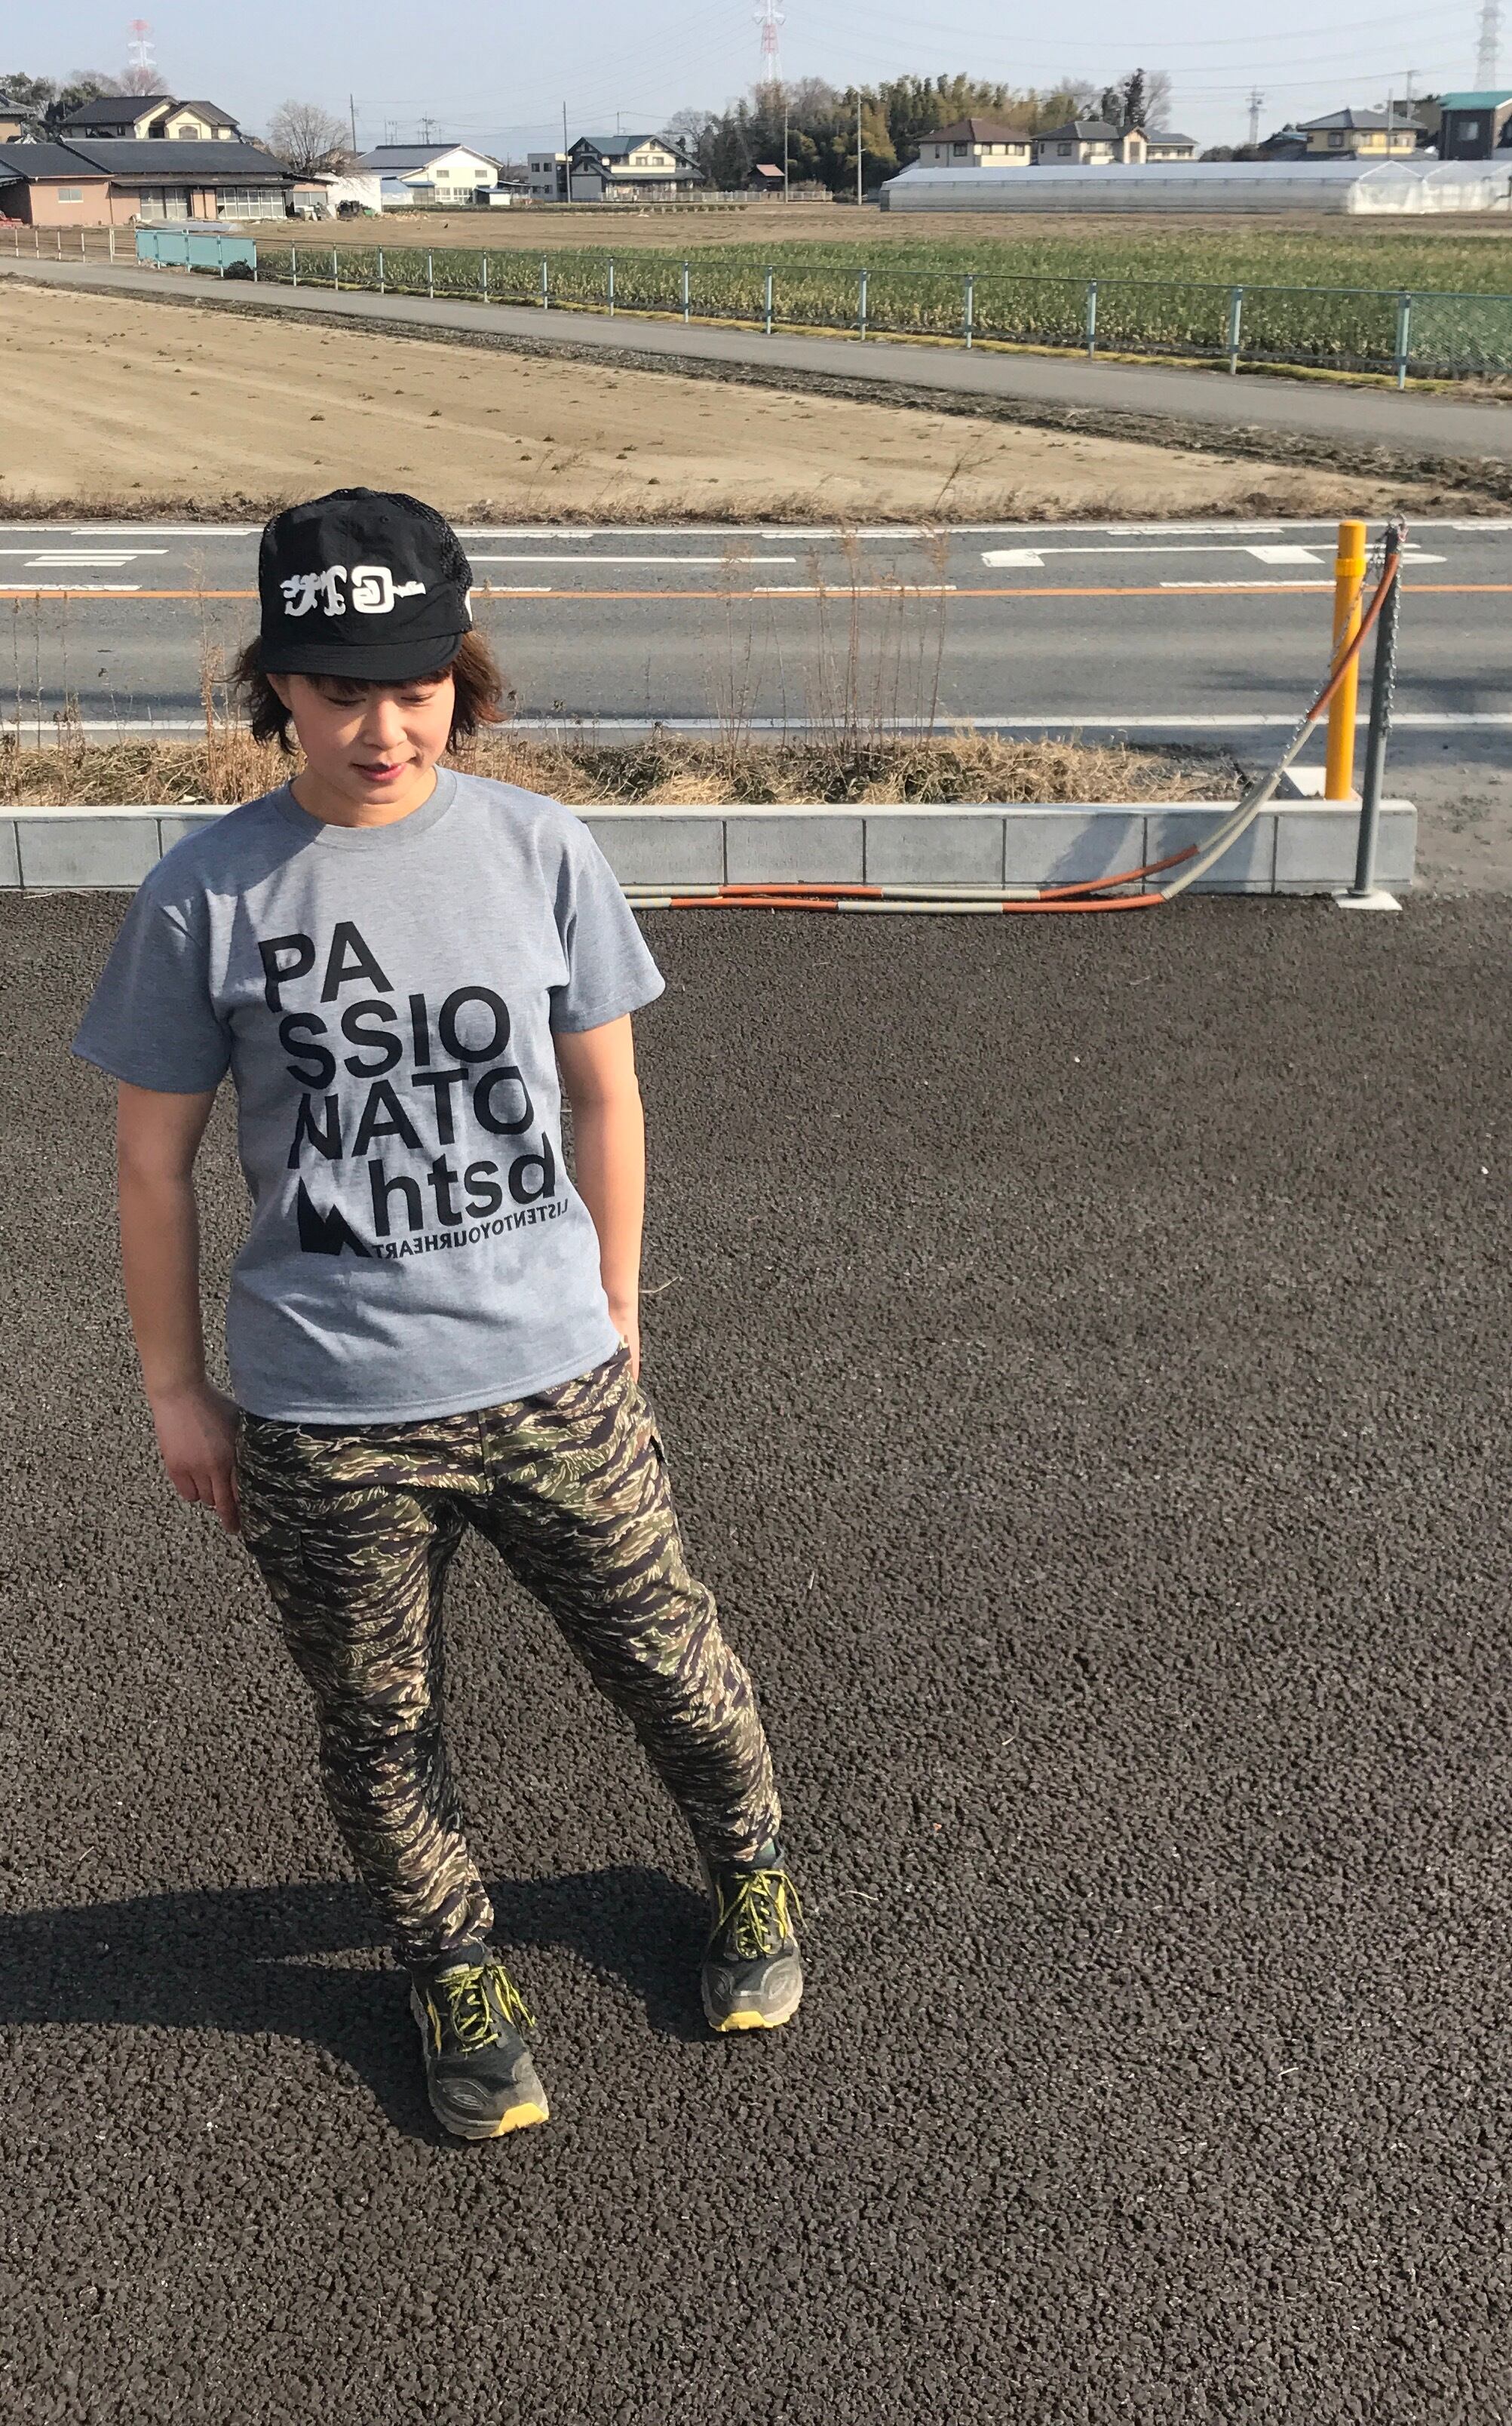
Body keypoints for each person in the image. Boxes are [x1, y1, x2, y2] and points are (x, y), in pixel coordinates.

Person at [71, 487, 803, 2143]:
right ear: (277, 688)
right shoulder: (204, 894)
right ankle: (452, 1968)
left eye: (416, 689)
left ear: (462, 679)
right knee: (379, 1725)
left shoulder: (540, 849)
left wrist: (614, 1304)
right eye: (340, 691)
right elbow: (149, 1167)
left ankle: (751, 1865)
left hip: (551, 1377)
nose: (383, 729)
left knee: (669, 1666)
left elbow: (604, 1098)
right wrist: (177, 1392)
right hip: (322, 1408)